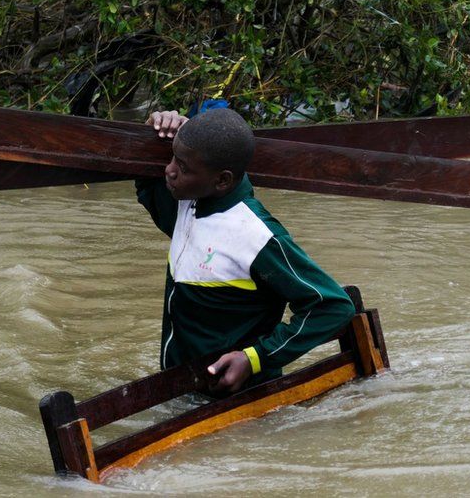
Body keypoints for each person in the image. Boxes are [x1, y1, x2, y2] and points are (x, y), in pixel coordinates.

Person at [136, 107, 355, 394]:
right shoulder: (187, 204)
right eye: (173, 158)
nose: (170, 170)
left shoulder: (256, 236)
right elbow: (147, 184)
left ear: (223, 180)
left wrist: (254, 359)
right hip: (182, 389)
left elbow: (333, 307)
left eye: (184, 168)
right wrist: (154, 128)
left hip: (241, 396)